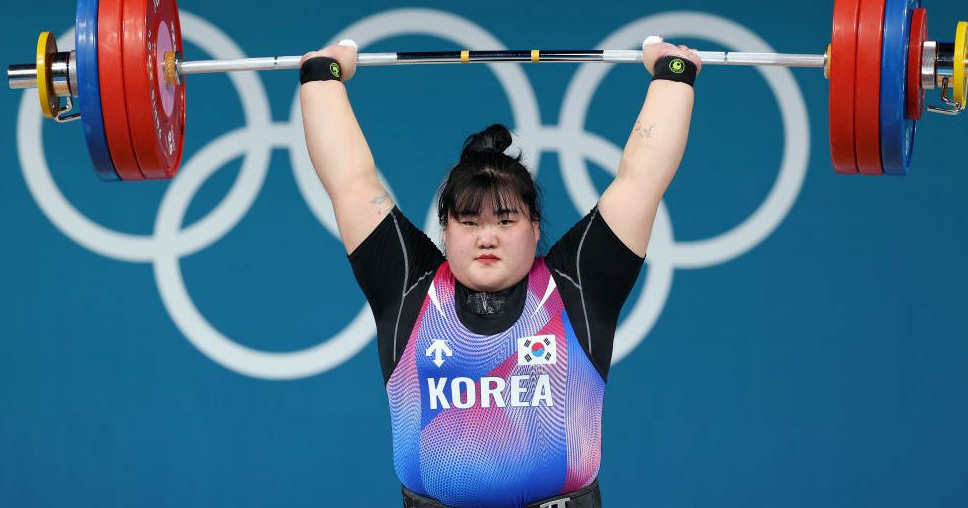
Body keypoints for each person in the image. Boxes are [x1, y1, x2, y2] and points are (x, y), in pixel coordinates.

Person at [299, 36, 701, 508]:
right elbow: (350, 180)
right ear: (445, 231)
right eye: (469, 223)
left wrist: (673, 76)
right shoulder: (408, 285)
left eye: (505, 221)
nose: (486, 237)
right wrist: (322, 78)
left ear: (534, 228)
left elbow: (641, 181)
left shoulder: (577, 285)